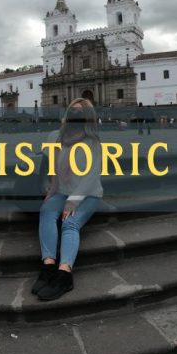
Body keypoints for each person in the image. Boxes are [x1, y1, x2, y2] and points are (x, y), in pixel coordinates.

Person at [33, 98, 103, 301]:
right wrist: (49, 188)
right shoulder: (54, 137)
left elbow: (90, 177)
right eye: (72, 110)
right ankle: (48, 266)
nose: (74, 114)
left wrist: (73, 201)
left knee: (70, 222)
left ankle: (64, 274)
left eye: (80, 112)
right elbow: (48, 166)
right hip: (60, 190)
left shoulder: (93, 143)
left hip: (87, 194)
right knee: (46, 211)